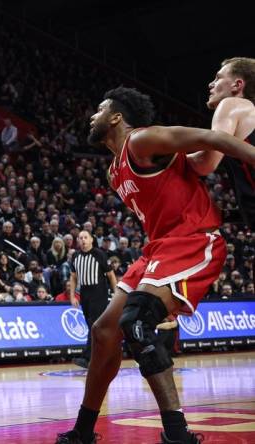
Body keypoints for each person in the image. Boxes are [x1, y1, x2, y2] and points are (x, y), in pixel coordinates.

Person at [56, 87, 255, 444]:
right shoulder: (113, 172)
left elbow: (211, 138)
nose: (92, 115)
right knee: (104, 333)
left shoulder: (144, 140)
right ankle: (83, 431)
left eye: (100, 109)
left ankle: (178, 434)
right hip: (157, 249)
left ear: (116, 117)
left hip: (193, 240)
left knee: (136, 321)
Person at [193, 57, 255, 226]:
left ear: (237, 85)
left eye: (218, 78)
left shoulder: (233, 104)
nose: (210, 84)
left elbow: (205, 162)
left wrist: (161, 157)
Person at [68, 231, 116, 368]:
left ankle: (88, 358)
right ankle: (101, 356)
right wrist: (72, 296)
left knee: (94, 325)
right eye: (80, 238)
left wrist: (116, 293)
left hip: (98, 293)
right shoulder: (76, 256)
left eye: (85, 238)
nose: (83, 240)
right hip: (85, 294)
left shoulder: (99, 254)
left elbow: (111, 275)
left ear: (91, 240)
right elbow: (73, 277)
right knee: (91, 326)